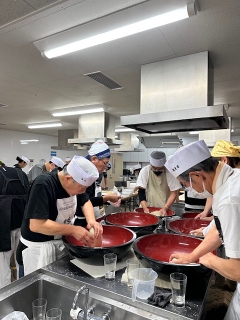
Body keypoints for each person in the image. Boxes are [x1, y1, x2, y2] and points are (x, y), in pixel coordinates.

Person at [165, 140, 240, 320]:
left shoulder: (229, 199)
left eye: (186, 184)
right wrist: (191, 256)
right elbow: (218, 230)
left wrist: (208, 259)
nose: (189, 189)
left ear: (197, 176)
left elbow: (237, 270)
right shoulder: (233, 179)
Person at [16, 155, 102, 276]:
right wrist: (73, 230)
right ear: (67, 178)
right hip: (37, 250)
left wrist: (91, 221)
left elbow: (85, 201)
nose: (83, 191)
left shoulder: (75, 183)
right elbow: (36, 225)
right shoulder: (43, 184)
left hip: (59, 244)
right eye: (82, 188)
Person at [74, 140, 121, 222]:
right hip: (80, 219)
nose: (106, 167)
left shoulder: (90, 173)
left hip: (88, 217)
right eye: (105, 163)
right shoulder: (83, 175)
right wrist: (108, 198)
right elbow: (85, 201)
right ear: (94, 159)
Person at [0, 163, 30, 288]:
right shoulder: (20, 173)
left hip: (2, 229)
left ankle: (5, 299)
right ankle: (21, 290)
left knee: (2, 268)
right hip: (23, 225)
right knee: (20, 261)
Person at [135, 151, 181, 216]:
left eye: (160, 169)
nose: (157, 171)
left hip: (164, 207)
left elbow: (173, 193)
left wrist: (165, 208)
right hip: (148, 206)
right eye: (154, 168)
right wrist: (145, 208)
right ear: (150, 164)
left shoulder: (170, 172)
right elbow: (141, 191)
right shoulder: (145, 170)